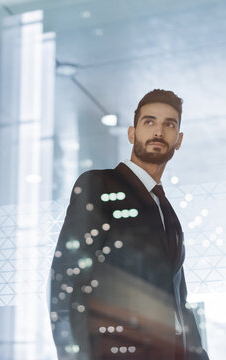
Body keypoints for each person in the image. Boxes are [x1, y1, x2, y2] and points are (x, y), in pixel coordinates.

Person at [50, 89, 209, 360]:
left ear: (178, 140)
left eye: (169, 124)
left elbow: (178, 301)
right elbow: (66, 281)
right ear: (132, 133)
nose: (158, 131)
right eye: (149, 122)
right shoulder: (99, 184)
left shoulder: (166, 211)